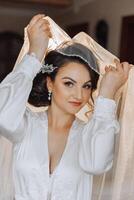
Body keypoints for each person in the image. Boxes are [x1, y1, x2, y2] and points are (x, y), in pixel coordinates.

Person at [0, 14, 131, 200]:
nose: (79, 95)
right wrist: (35, 55)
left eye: (86, 86)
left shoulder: (91, 134)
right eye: (69, 83)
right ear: (50, 83)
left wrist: (107, 94)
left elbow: (96, 165)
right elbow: (3, 116)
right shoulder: (25, 124)